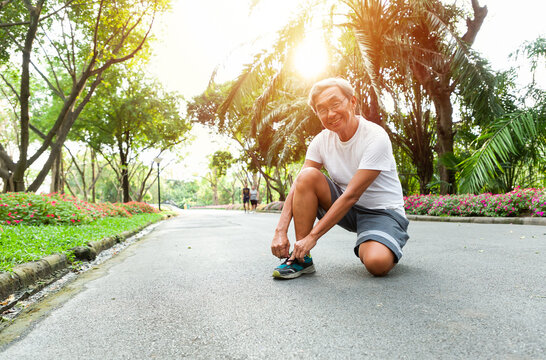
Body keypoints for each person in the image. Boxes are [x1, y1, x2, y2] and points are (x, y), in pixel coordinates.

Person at [270, 77, 409, 279]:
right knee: (307, 175)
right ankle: (301, 259)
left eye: (335, 104)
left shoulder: (375, 137)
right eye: (322, 109)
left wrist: (313, 236)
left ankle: (383, 239)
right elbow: (298, 186)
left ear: (352, 102)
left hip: (382, 213)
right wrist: (280, 231)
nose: (331, 114)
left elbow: (352, 195)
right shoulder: (321, 141)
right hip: (349, 211)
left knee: (376, 263)